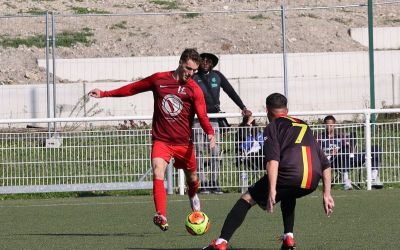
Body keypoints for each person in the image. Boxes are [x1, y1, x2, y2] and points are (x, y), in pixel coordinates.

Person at [88, 48, 216, 232]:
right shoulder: (159, 79)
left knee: (193, 179)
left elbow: (202, 114)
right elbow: (133, 88)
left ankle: (193, 195)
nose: (191, 73)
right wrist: (105, 93)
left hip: (183, 143)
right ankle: (161, 215)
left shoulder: (194, 89)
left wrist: (209, 132)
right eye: (188, 68)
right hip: (161, 140)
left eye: (194, 70)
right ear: (180, 62)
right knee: (158, 171)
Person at [203, 93, 334, 250]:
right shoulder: (304, 125)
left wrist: (272, 190)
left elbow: (273, 160)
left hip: (288, 175)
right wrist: (327, 194)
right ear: (287, 109)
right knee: (289, 193)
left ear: (267, 110)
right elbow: (325, 163)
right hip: (312, 180)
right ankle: (288, 239)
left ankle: (220, 243)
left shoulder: (272, 127)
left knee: (246, 199)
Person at [192, 52, 252, 194]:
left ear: (212, 63)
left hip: (213, 120)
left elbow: (230, 91)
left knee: (215, 151)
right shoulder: (193, 77)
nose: (205, 62)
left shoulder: (217, 76)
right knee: (199, 151)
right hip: (197, 119)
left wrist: (243, 107)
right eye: (203, 60)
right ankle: (202, 183)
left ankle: (214, 182)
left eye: (208, 61)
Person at [317, 115, 383, 190]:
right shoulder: (320, 137)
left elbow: (349, 149)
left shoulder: (341, 136)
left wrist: (348, 148)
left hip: (349, 158)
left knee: (376, 149)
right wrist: (330, 152)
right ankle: (345, 180)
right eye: (327, 125)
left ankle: (373, 178)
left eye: (331, 125)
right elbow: (317, 151)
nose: (329, 127)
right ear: (324, 125)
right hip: (334, 161)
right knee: (344, 151)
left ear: (334, 125)